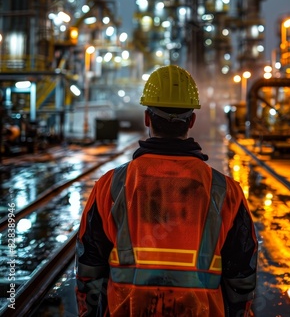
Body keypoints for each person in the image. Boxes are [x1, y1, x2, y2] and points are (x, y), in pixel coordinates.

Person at [75, 65, 258, 316]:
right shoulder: (226, 191)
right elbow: (242, 278)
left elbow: (89, 268)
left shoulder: (110, 186)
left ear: (147, 118)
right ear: (191, 121)